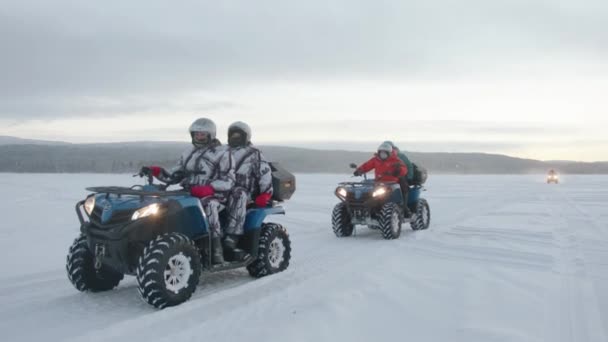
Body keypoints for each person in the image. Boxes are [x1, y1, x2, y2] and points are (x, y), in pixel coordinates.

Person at [145, 118, 235, 264]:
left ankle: (216, 248)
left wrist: (209, 188)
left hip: (216, 195)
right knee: (165, 205)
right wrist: (157, 171)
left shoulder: (223, 153)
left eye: (203, 134)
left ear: (210, 135)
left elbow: (229, 181)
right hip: (190, 192)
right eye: (196, 134)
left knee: (209, 206)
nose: (199, 137)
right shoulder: (189, 153)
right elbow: (174, 175)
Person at [223, 121, 273, 252]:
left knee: (238, 195)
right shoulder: (223, 152)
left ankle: (233, 234)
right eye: (232, 135)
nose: (235, 138)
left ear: (246, 136)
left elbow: (265, 173)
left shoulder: (254, 154)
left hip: (246, 191)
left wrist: (265, 193)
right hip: (223, 188)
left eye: (238, 135)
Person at [354, 142, 410, 215]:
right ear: (378, 152)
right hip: (379, 182)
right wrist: (360, 170)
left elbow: (404, 168)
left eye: (384, 153)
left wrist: (399, 171)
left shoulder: (395, 160)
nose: (382, 155)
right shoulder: (376, 160)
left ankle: (404, 206)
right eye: (381, 153)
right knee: (369, 192)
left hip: (393, 182)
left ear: (389, 153)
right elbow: (367, 165)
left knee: (404, 187)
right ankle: (367, 209)